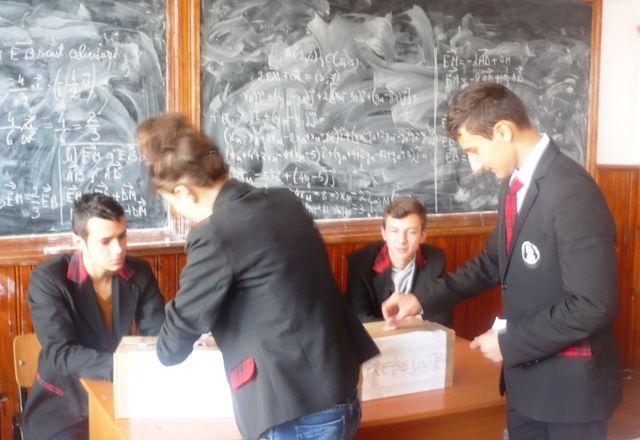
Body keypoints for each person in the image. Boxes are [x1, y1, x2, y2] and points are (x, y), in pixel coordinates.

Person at [381, 82, 621, 440]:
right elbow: (493, 262)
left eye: (475, 150)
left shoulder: (571, 191)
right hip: (526, 383)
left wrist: (509, 343)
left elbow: (592, 305)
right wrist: (420, 298)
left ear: (504, 131)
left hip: (569, 394)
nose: (475, 166)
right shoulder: (513, 185)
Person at [135, 113, 379, 440]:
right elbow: (273, 289)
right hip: (340, 391)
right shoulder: (283, 201)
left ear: (184, 192)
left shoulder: (215, 234)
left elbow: (176, 337)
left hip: (295, 412)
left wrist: (169, 342)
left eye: (171, 203)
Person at [24, 193, 165, 440]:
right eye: (105, 241)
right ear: (79, 242)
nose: (118, 249)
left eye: (122, 236)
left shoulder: (139, 272)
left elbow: (158, 333)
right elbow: (61, 353)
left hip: (123, 396)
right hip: (63, 404)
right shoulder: (49, 279)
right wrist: (125, 369)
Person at [345, 196, 451, 326]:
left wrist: (404, 325)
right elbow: (359, 318)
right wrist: (401, 325)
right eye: (394, 231)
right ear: (384, 233)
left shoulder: (435, 259)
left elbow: (441, 314)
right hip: (377, 338)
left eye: (411, 232)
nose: (402, 240)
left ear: (422, 235)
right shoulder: (360, 263)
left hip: (419, 337)